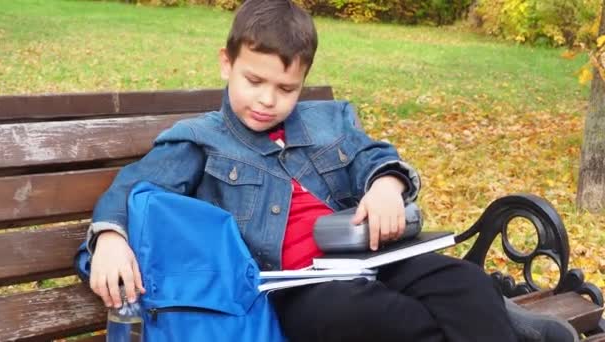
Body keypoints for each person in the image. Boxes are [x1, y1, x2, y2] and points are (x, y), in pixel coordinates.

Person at [86, 1, 578, 341]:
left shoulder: (328, 120)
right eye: (254, 80)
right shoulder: (200, 139)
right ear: (226, 63)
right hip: (298, 286)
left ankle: (486, 318)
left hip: (376, 257)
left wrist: (386, 184)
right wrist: (110, 238)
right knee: (362, 317)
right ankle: (497, 328)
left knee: (464, 285)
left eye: (286, 88)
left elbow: (372, 155)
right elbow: (134, 186)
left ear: (302, 81)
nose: (267, 99)